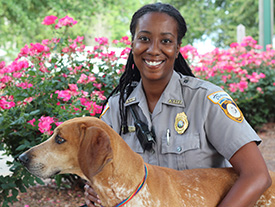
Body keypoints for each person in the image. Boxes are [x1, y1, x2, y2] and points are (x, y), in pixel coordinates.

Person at [83, 2, 272, 207]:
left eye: (165, 40)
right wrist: (95, 192)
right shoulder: (117, 110)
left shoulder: (206, 101)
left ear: (177, 48)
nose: (154, 50)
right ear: (132, 44)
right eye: (144, 39)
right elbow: (102, 175)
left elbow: (257, 175)